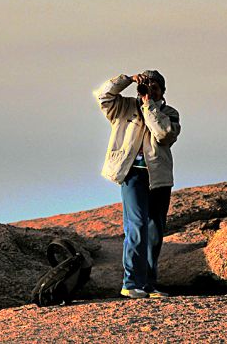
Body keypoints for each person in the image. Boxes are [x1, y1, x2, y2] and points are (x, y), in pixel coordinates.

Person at [93, 70, 181, 299]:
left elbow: (163, 135)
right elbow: (102, 95)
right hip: (132, 174)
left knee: (154, 231)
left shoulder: (169, 113)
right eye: (146, 86)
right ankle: (131, 283)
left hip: (159, 177)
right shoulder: (124, 107)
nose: (149, 91)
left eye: (155, 88)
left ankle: (149, 284)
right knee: (137, 224)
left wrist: (150, 105)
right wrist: (128, 79)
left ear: (162, 91)